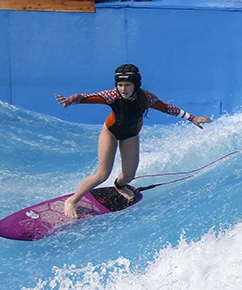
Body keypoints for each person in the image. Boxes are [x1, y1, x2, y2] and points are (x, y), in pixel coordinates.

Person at [53, 64, 211, 219]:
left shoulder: (146, 98)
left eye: (127, 85)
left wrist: (192, 118)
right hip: (110, 132)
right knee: (102, 174)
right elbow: (84, 97)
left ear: (135, 85)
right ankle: (72, 201)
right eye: (120, 85)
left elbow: (168, 108)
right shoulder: (112, 95)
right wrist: (69, 100)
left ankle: (119, 185)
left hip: (130, 136)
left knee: (129, 176)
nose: (123, 89)